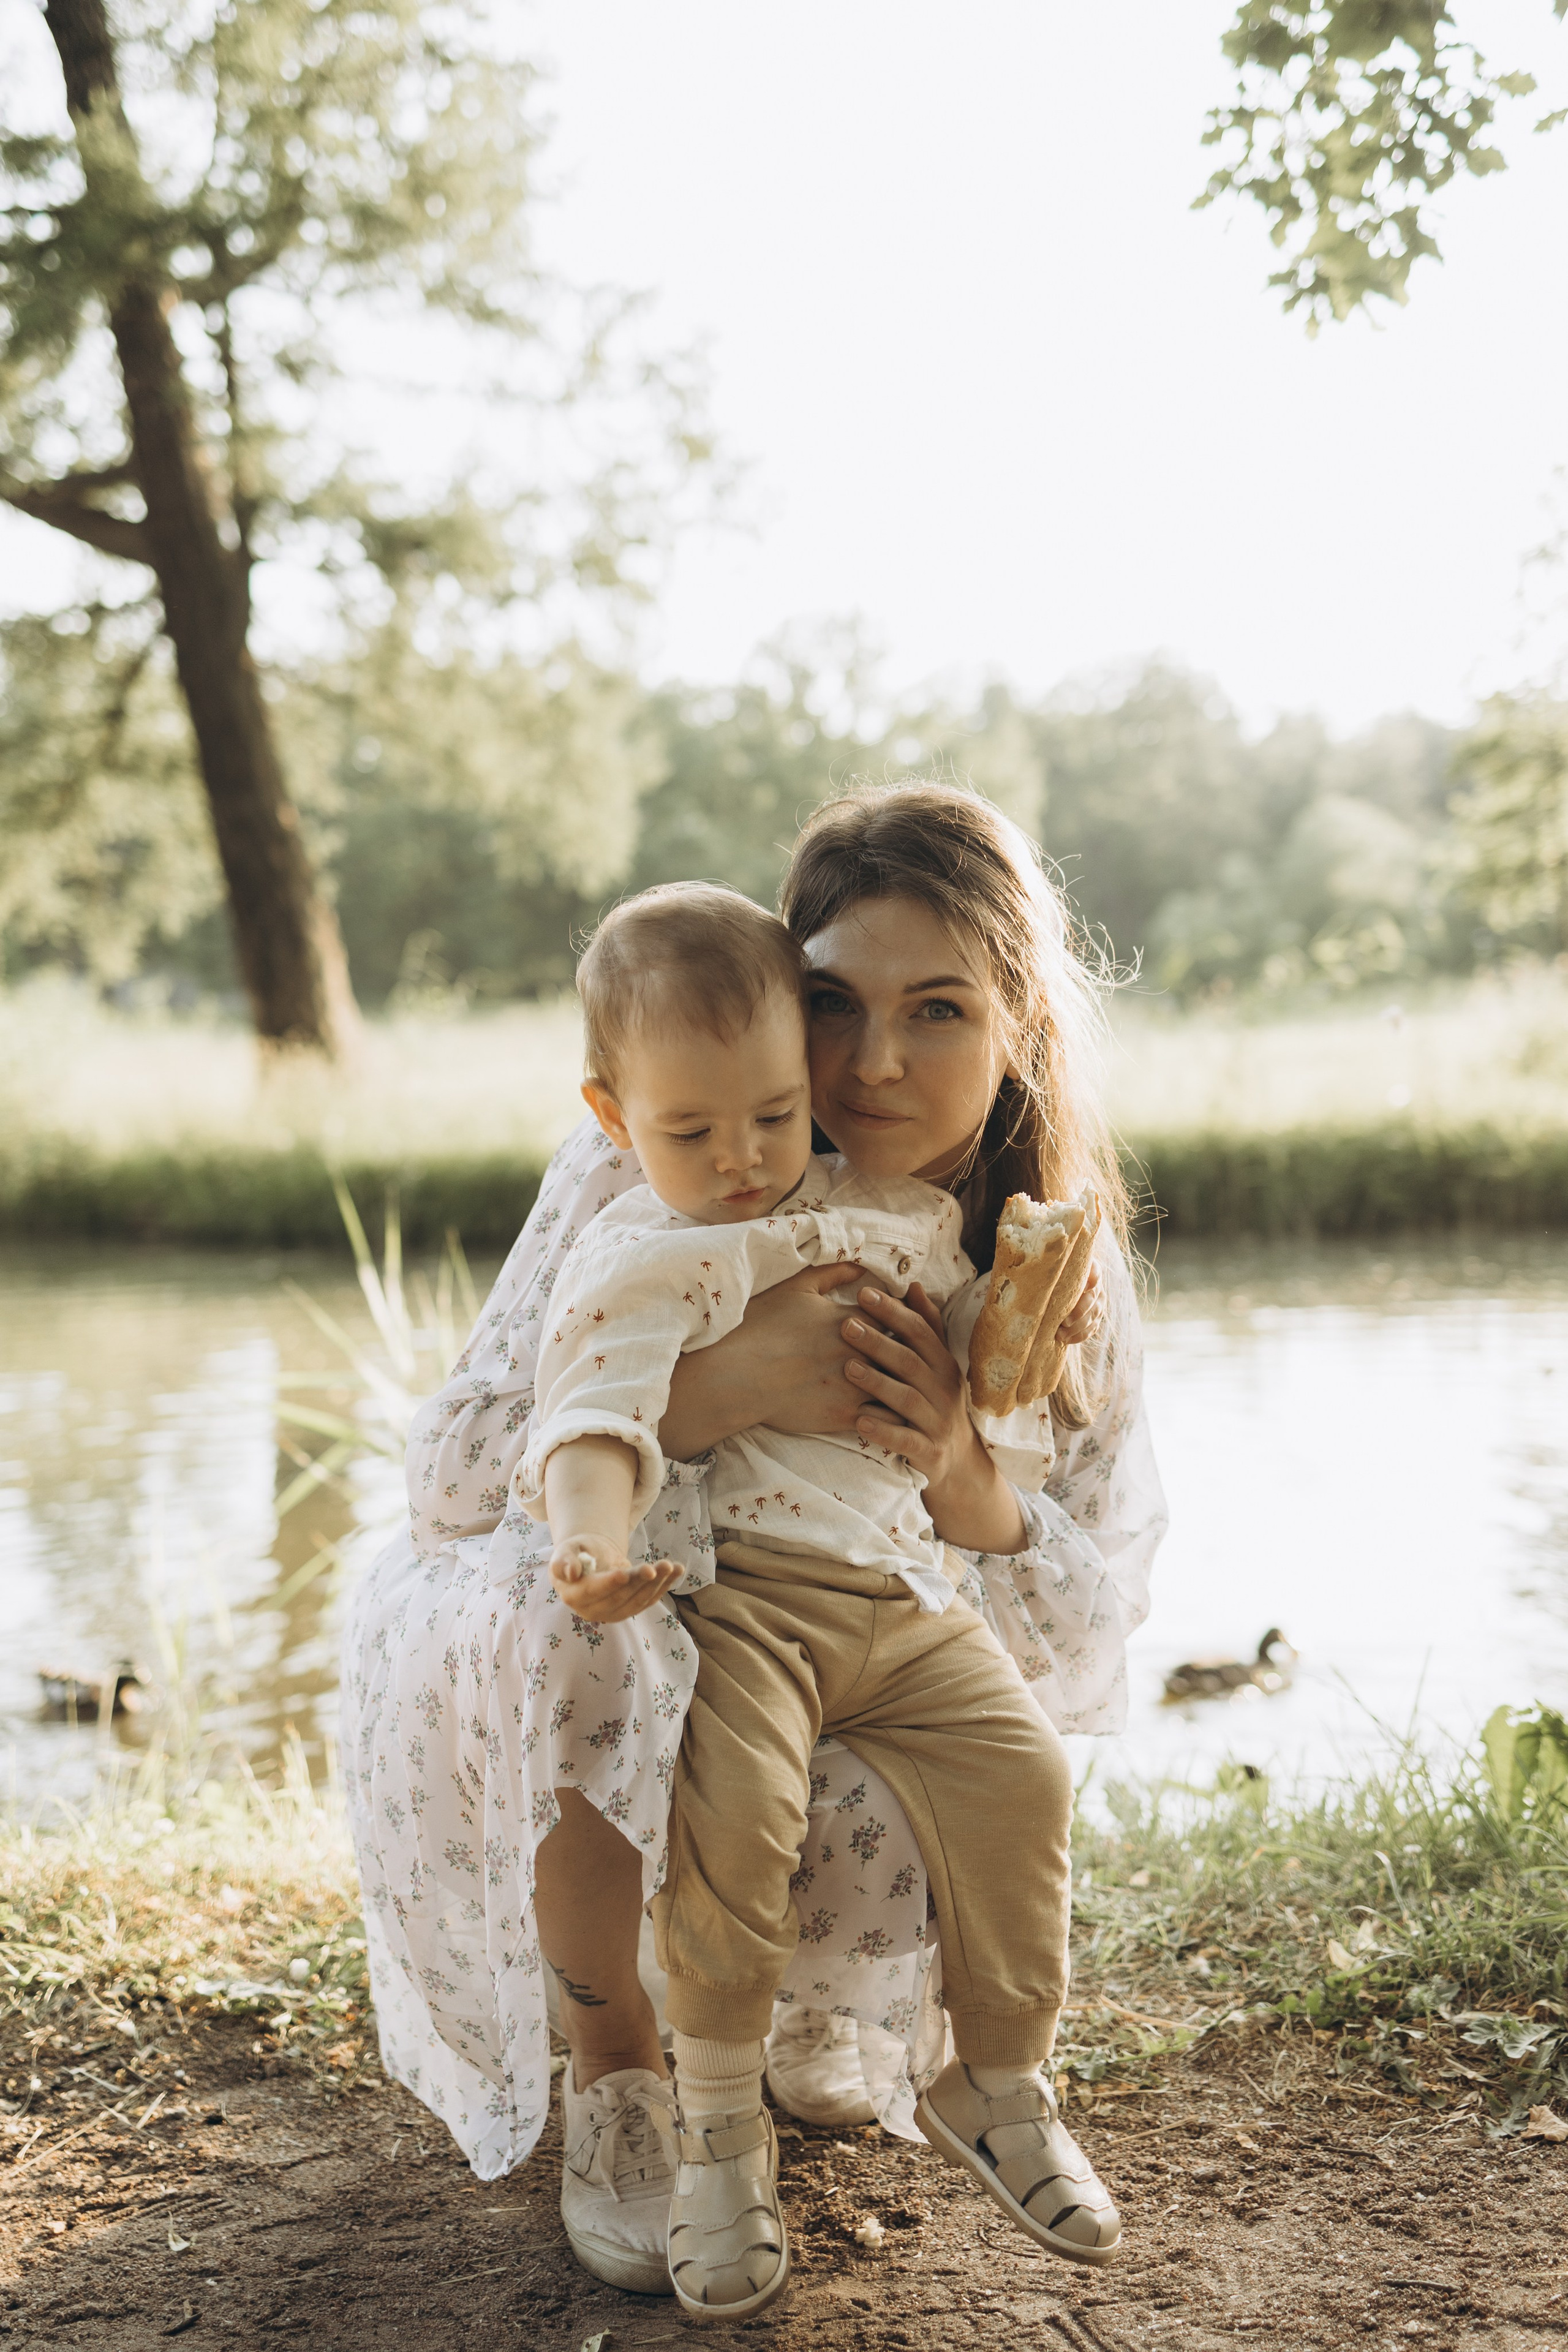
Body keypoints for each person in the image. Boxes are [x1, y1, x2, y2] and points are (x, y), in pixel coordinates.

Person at [341, 781, 1167, 2300]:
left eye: (936, 1010)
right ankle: (626, 2078)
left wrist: (963, 1473)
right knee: (572, 1623)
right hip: (661, 1593)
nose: (870, 1064)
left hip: (886, 1615)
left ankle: (901, 2051)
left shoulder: (1038, 1256)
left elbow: (1083, 1625)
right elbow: (455, 1480)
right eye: (833, 1004)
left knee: (990, 1759)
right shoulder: (659, 1166)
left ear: (1018, 1028)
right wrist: (720, 1388)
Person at [527, 881, 1109, 2315]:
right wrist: (593, 1548)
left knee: (1023, 1782)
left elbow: (981, 1378)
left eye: (774, 1119)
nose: (738, 1163)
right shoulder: (642, 1258)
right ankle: (718, 2135)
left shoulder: (900, 1213)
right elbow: (589, 1417)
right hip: (748, 1606)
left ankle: (995, 2078)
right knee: (737, 1824)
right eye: (692, 1133)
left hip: (902, 1598)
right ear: (617, 1122)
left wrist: (1025, 1324)